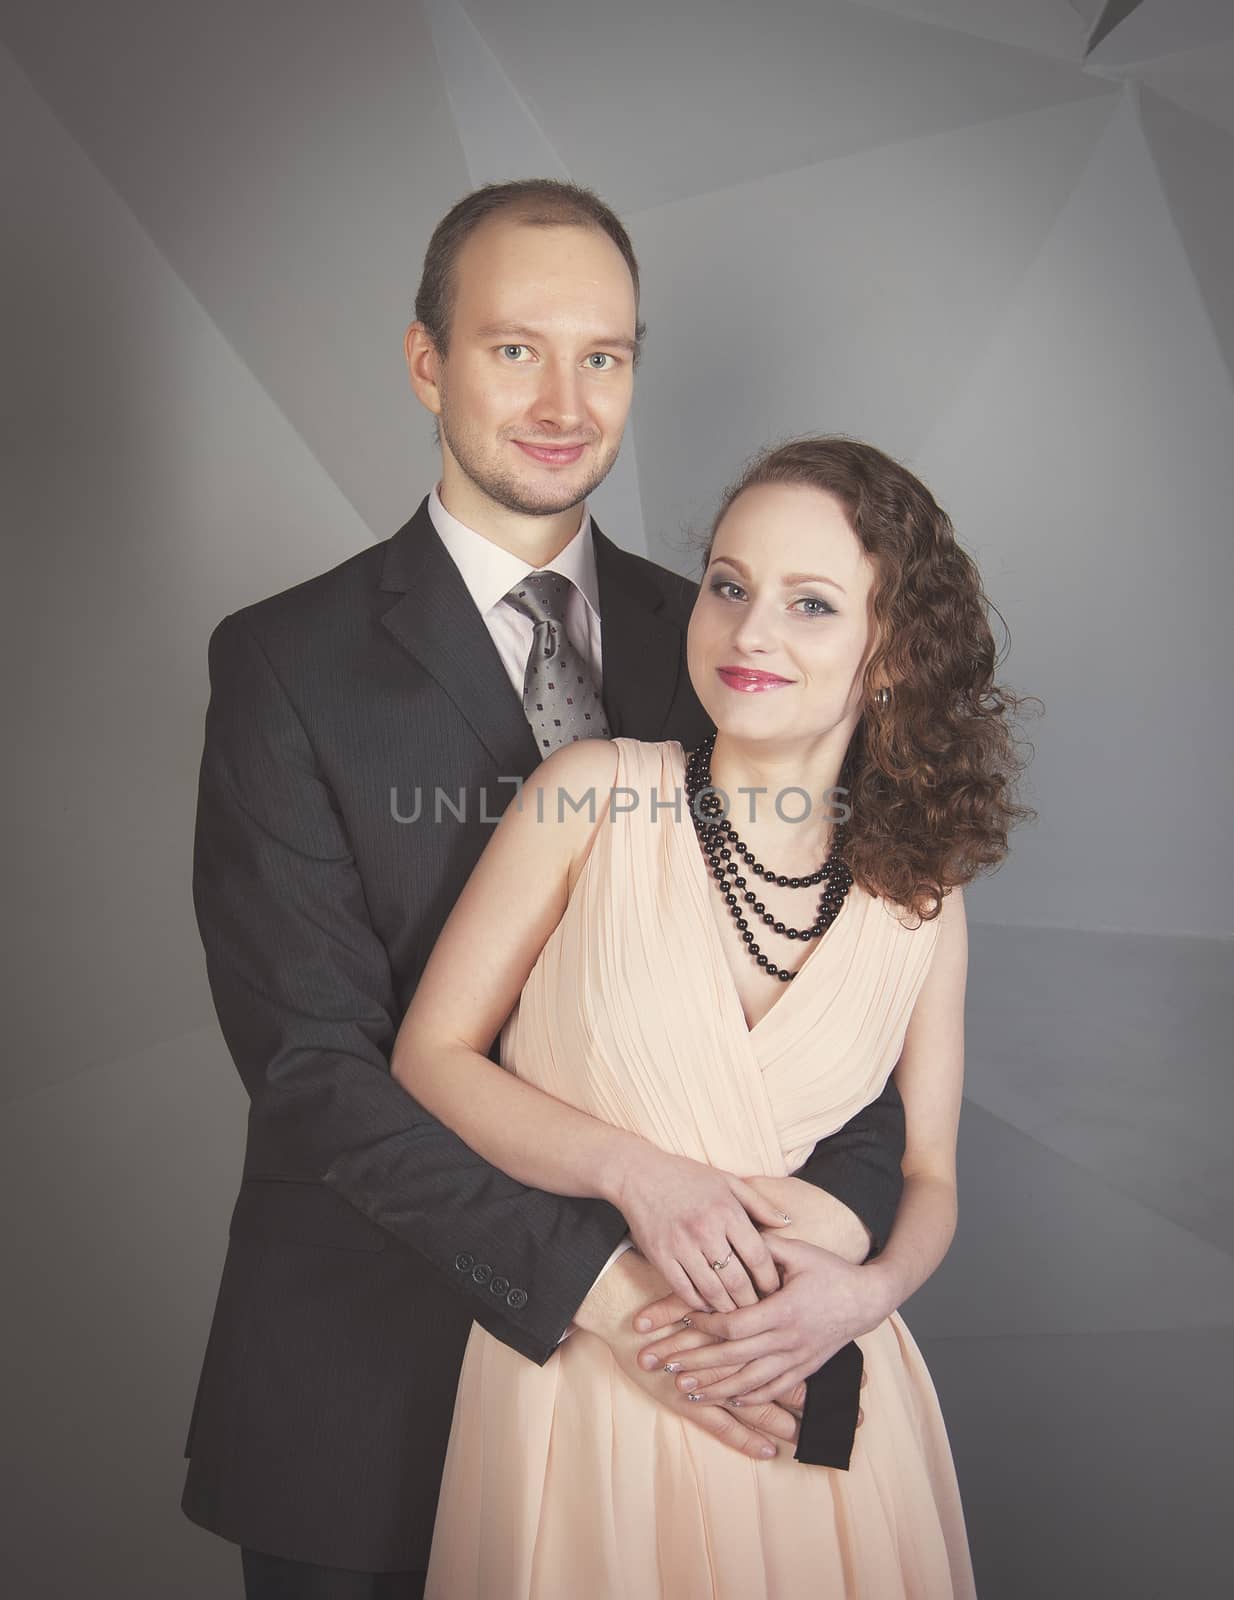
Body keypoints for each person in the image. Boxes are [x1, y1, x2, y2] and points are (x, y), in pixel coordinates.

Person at [182, 181, 911, 1599]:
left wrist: (828, 1269)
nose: (563, 399)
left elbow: (846, 1000)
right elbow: (315, 1069)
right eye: (514, 347)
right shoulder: (282, 665)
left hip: (705, 1395)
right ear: (425, 363)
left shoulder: (734, 635)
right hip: (376, 1386)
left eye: (606, 354)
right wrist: (608, 1289)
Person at [393, 435, 1033, 1598]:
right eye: (729, 585)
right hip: (590, 1373)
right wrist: (639, 1174)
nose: (748, 632)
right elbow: (432, 1055)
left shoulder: (923, 901)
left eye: (811, 604)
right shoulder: (586, 792)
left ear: (886, 653)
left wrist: (867, 1292)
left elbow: (930, 1172)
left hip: (813, 1382)